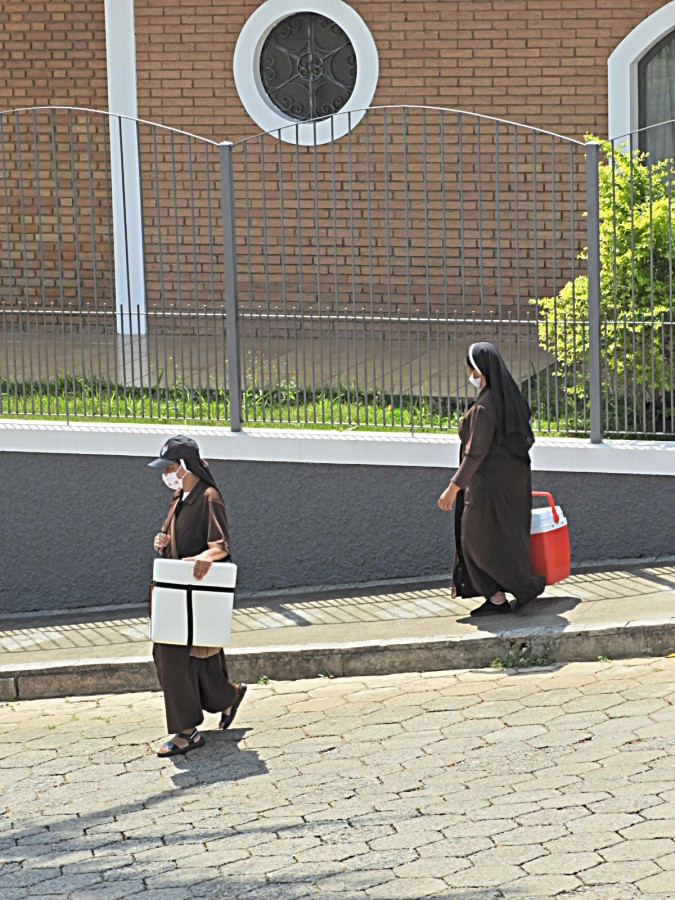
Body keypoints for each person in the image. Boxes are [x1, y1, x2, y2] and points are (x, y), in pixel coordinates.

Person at [148, 435, 246, 757]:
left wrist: (207, 556)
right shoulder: (179, 496)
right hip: (177, 592)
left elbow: (221, 545)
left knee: (171, 653)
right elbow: (173, 534)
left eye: (170, 467)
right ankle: (229, 697)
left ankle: (187, 732)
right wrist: (162, 541)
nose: (166, 474)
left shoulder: (209, 497)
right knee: (198, 660)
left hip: (196, 592)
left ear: (186, 465)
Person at [437, 342, 545, 617]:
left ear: (479, 370)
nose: (467, 373)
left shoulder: (485, 407)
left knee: (473, 540)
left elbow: (475, 454)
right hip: (511, 483)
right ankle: (497, 597)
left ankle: (521, 587)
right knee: (502, 538)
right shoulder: (507, 398)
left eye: (469, 368)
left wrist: (453, 488)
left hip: (486, 487)